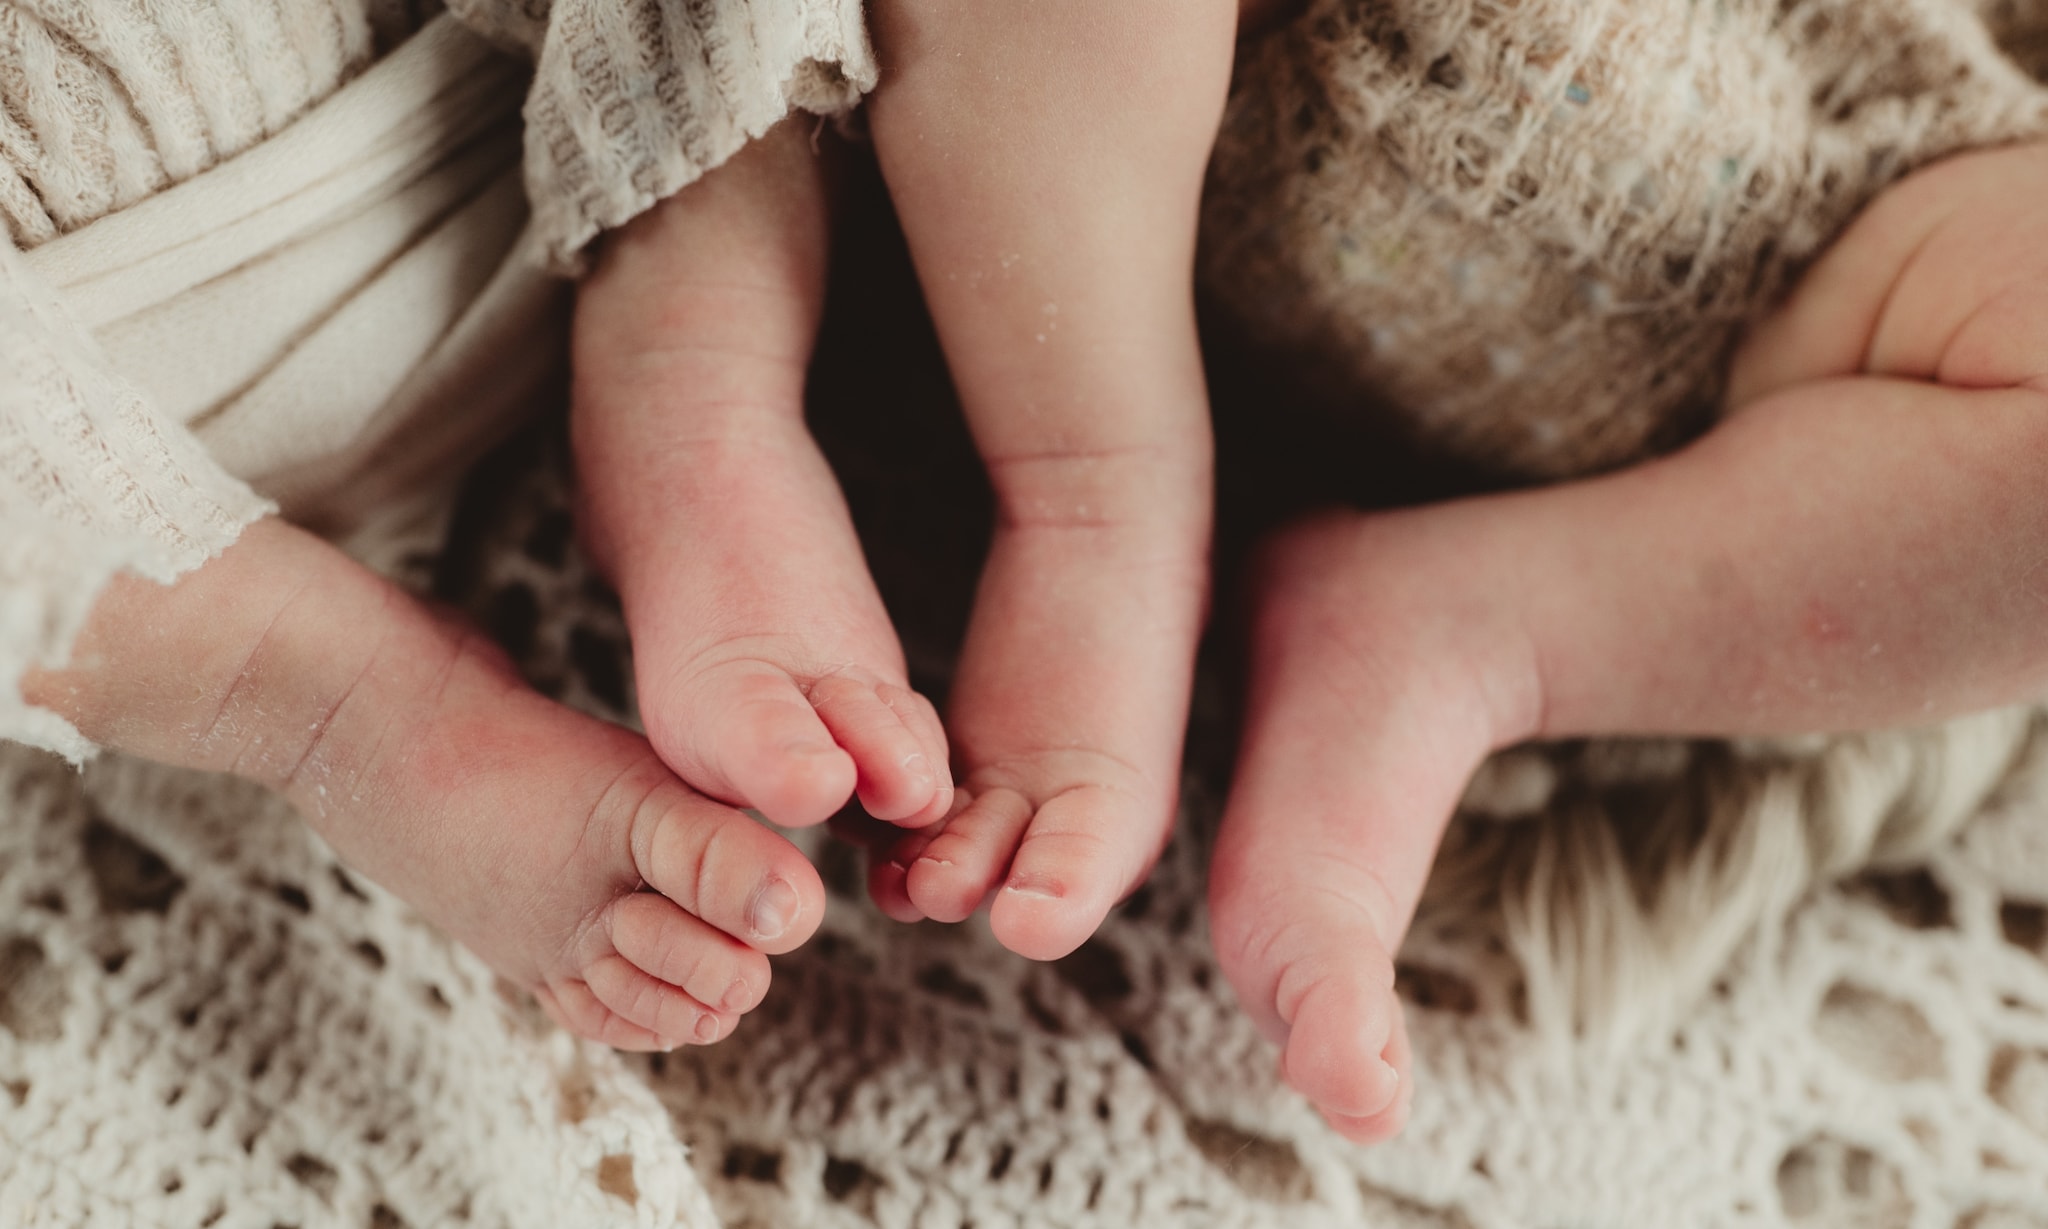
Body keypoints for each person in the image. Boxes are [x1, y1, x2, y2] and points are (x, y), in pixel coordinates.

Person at [11, 0, 2048, 1151]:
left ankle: (1480, 623)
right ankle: (1048, 468)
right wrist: (353, 715)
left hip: (1843, 214)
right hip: (1113, 141)